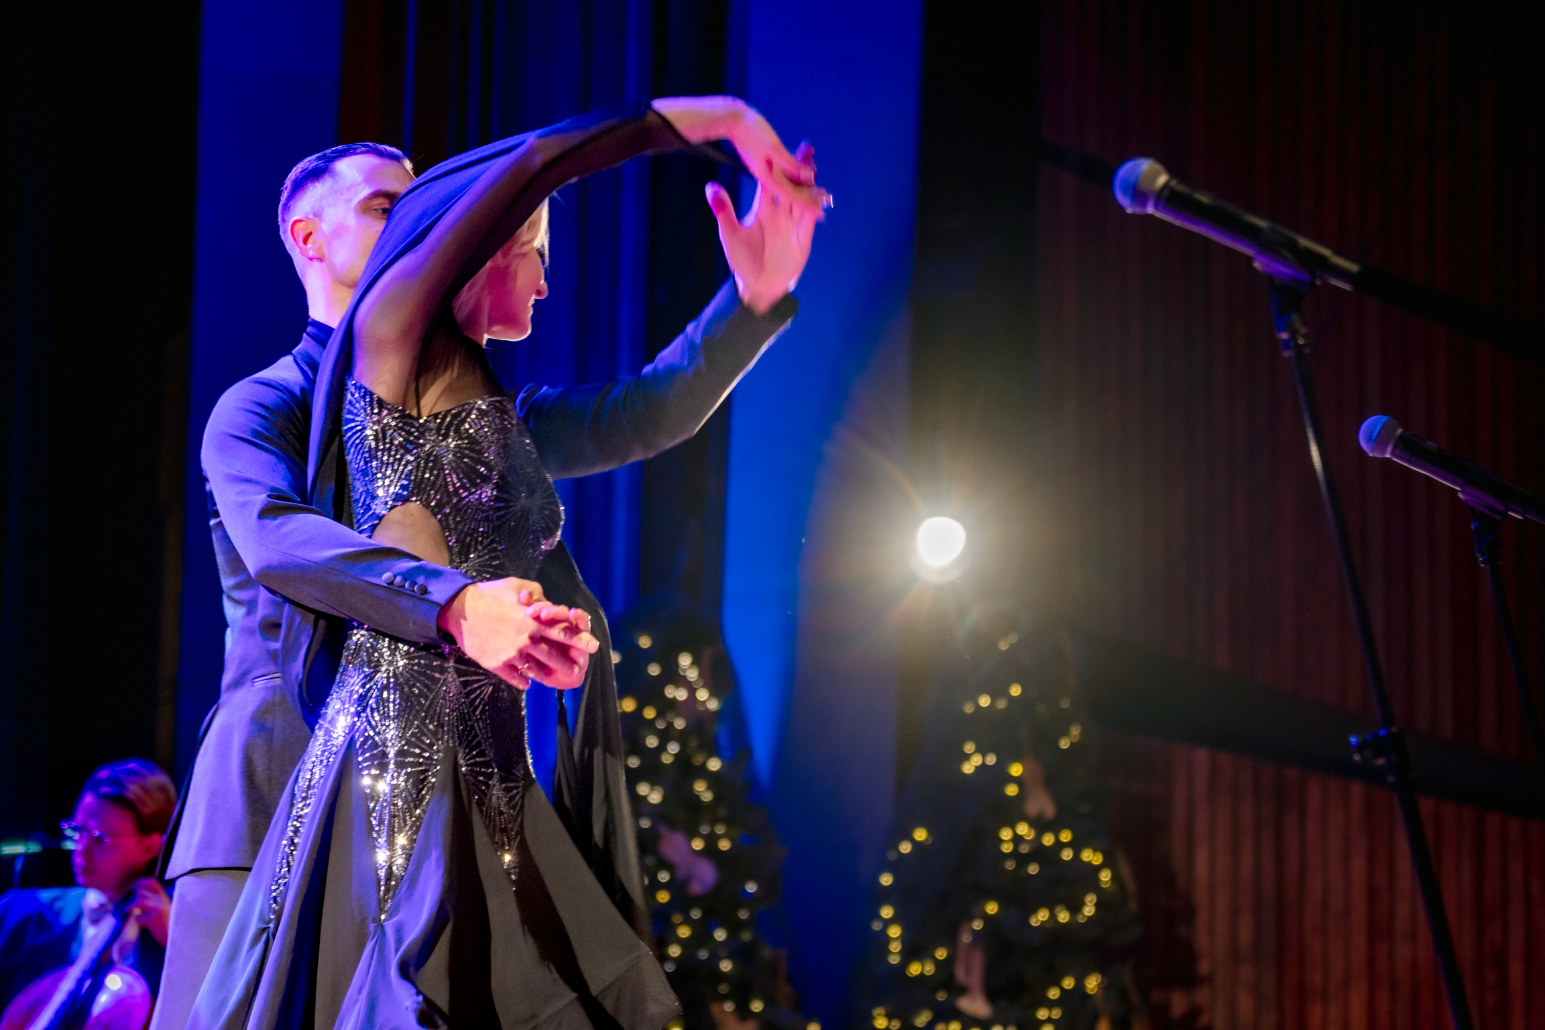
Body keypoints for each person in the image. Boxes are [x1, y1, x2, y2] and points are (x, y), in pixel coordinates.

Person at [163, 97, 818, 1029]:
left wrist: (750, 305)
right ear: (308, 237)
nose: (420, 222)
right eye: (386, 208)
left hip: (424, 786)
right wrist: (458, 602)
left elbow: (642, 411)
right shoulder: (260, 407)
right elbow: (279, 540)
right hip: (271, 781)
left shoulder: (476, 416)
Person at [0, 760, 176, 1015]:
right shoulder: (18, 914)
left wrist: (177, 943)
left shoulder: (176, 932)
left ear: (150, 846)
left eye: (100, 839)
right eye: (78, 831)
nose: (82, 849)